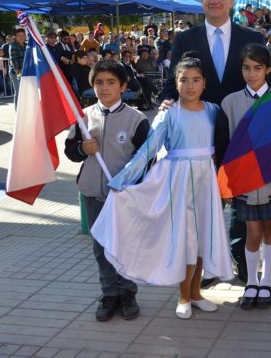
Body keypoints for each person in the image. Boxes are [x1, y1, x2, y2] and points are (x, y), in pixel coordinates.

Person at [91, 56, 233, 319]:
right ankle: (183, 295)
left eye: (196, 80)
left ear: (204, 83)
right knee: (187, 239)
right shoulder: (169, 113)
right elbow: (148, 150)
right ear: (175, 83)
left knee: (203, 237)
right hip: (179, 181)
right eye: (184, 80)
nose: (190, 86)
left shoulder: (213, 110)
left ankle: (196, 293)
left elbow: (223, 144)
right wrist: (123, 180)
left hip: (207, 180)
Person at [161, 0, 268, 286]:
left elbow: (262, 77)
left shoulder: (253, 37)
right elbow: (173, 82)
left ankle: (241, 261)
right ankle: (204, 267)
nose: (215, 0)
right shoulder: (185, 39)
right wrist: (167, 102)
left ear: (231, 0)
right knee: (203, 202)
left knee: (243, 198)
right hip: (200, 133)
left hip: (242, 130)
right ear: (202, 0)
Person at [64, 60, 149, 322]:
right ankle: (109, 293)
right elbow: (70, 150)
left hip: (123, 196)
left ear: (123, 86)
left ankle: (127, 293)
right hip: (93, 195)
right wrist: (82, 150)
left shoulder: (137, 120)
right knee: (101, 248)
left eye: (111, 82)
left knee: (123, 246)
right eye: (99, 82)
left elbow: (146, 160)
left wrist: (128, 181)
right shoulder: (83, 117)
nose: (104, 88)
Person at [221, 44, 271, 310]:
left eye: (257, 68)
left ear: (268, 69)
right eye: (246, 68)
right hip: (243, 181)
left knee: (269, 229)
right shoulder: (230, 102)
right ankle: (251, 281)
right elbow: (225, 147)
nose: (251, 74)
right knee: (251, 231)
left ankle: (267, 280)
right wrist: (227, 184)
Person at [8, 28, 26, 108]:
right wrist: (18, 73)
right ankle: (17, 111)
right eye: (19, 35)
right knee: (19, 91)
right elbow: (14, 60)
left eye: (23, 35)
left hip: (26, 72)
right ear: (15, 37)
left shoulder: (27, 45)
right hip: (16, 72)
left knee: (26, 92)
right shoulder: (13, 46)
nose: (21, 37)